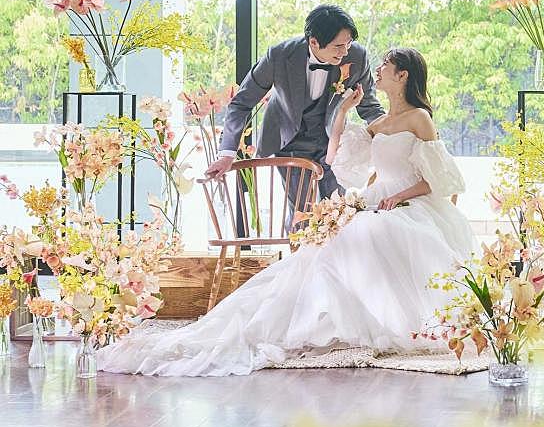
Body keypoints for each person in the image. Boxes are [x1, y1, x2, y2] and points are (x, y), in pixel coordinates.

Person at [97, 48, 473, 376]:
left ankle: (381, 323)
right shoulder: (380, 123)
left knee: (367, 234)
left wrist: (396, 197)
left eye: (385, 66)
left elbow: (440, 179)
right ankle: (322, 321)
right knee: (331, 243)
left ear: (403, 75)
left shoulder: (419, 118)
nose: (377, 70)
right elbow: (335, 154)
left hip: (411, 202)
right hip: (378, 200)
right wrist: (343, 110)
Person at [205, 4, 384, 230]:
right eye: (339, 46)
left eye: (348, 43)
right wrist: (227, 154)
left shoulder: (357, 56)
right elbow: (242, 103)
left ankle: (335, 254)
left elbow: (369, 107)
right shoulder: (279, 56)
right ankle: (298, 252)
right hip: (290, 142)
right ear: (314, 42)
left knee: (339, 212)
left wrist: (395, 134)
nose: (345, 52)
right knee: (302, 215)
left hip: (333, 143)